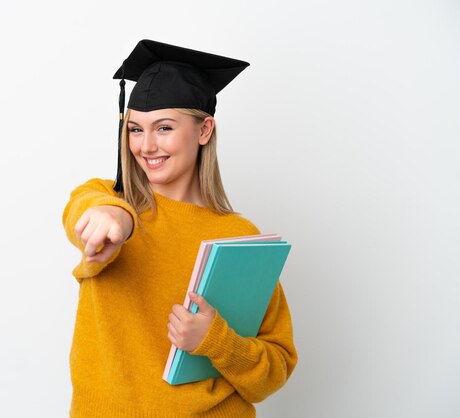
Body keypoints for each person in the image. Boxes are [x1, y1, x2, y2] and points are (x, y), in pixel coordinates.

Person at [62, 39, 297, 417]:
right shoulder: (107, 200)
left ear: (204, 130)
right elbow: (84, 209)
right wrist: (116, 216)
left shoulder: (241, 236)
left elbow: (274, 370)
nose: (146, 146)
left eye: (164, 127)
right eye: (135, 129)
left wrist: (215, 341)